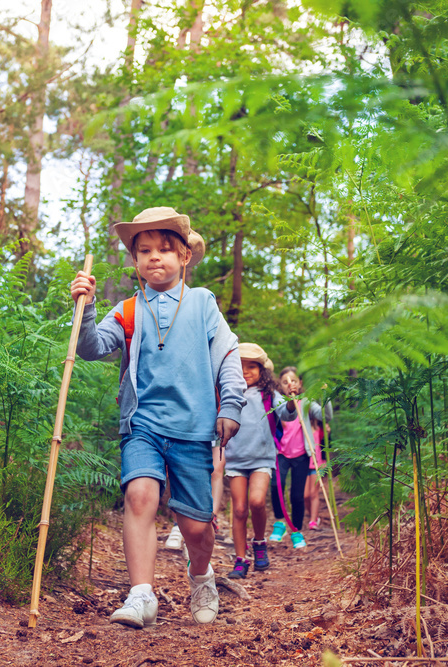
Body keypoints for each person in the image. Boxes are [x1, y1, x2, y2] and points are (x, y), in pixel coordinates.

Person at [70, 206, 246, 629]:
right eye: (144, 250)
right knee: (140, 497)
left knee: (195, 527)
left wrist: (231, 405)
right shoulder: (128, 310)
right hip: (142, 423)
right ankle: (141, 595)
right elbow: (91, 348)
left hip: (193, 427)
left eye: (165, 249)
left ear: (185, 256)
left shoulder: (203, 303)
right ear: (134, 262)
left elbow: (227, 353)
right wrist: (87, 306)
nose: (154, 257)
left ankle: (201, 576)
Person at [221, 343, 282, 579]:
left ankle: (259, 542)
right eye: (241, 366)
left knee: (256, 502)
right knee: (238, 509)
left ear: (262, 370)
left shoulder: (269, 394)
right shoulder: (229, 393)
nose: (246, 371)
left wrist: (289, 403)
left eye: (252, 367)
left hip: (262, 458)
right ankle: (240, 559)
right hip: (236, 460)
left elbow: (287, 414)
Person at [268, 366, 330, 548]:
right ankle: (279, 523)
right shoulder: (277, 401)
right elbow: (280, 416)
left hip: (302, 455)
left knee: (297, 495)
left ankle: (296, 531)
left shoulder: (306, 402)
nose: (290, 384)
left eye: (293, 381)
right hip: (280, 453)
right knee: (276, 485)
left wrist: (327, 396)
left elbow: (325, 416)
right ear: (280, 385)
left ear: (300, 383)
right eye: (285, 382)